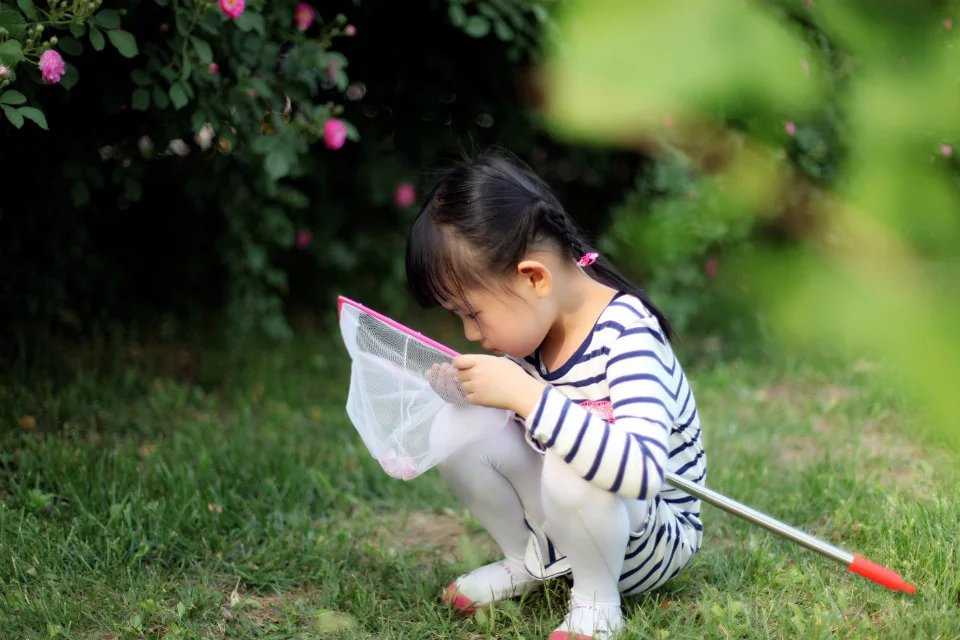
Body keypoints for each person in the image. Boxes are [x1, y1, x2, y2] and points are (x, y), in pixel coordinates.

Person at [406, 149, 706, 640]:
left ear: (534, 277)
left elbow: (643, 472)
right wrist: (475, 395)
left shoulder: (627, 333)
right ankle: (525, 560)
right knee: (458, 425)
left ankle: (597, 603)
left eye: (472, 313)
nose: (471, 333)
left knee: (576, 455)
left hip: (649, 541)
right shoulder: (535, 331)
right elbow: (520, 430)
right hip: (573, 524)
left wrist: (528, 396)